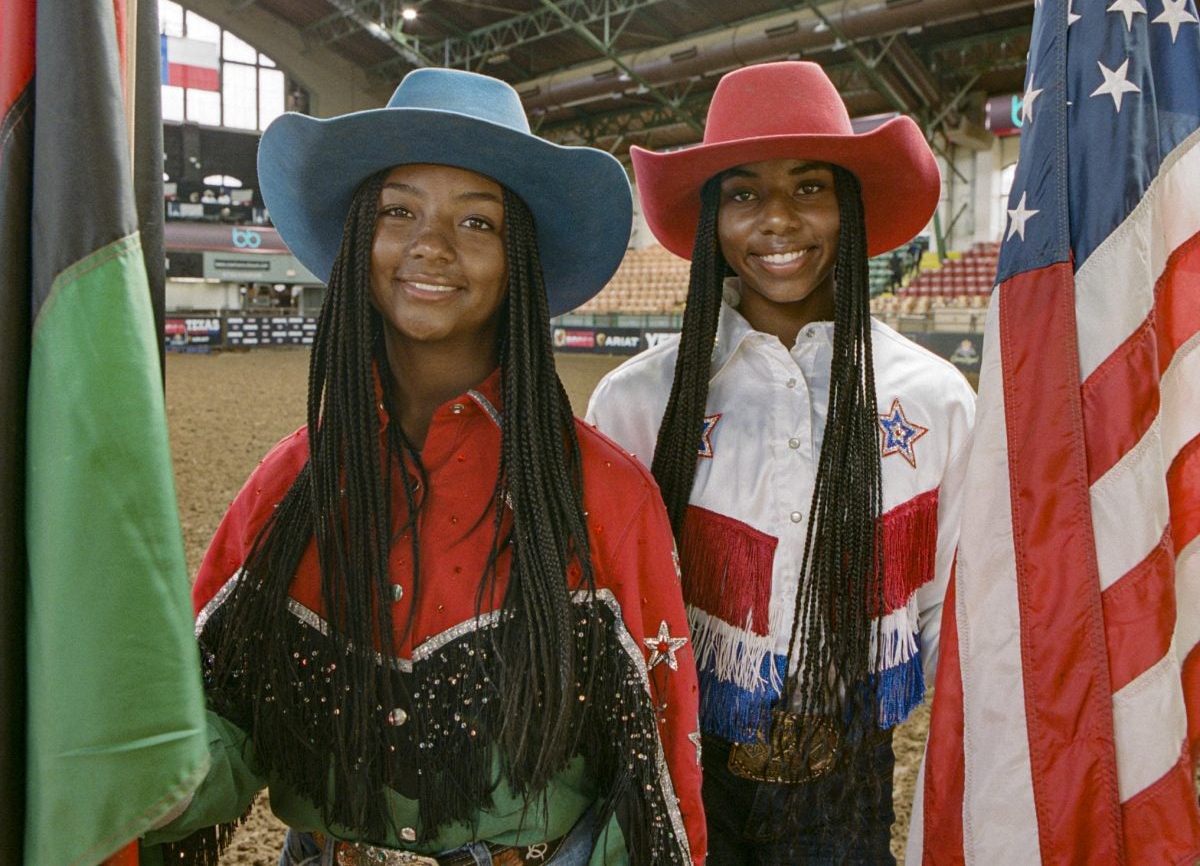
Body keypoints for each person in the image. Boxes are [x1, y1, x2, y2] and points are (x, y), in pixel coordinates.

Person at [143, 68, 706, 866]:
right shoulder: (288, 486)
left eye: (477, 222)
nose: (430, 246)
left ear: (520, 260)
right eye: (398, 210)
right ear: (358, 238)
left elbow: (654, 769)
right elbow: (217, 721)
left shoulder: (605, 496)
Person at [587, 62, 975, 863]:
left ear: (850, 208)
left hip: (850, 781)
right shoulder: (637, 401)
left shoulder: (934, 400)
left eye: (809, 189)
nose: (777, 222)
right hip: (681, 770)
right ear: (711, 219)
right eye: (742, 194)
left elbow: (951, 613)